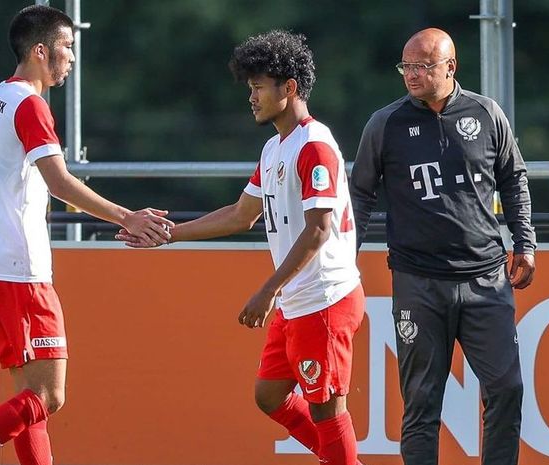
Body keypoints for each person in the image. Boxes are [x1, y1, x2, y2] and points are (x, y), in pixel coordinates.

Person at [0, 6, 172, 465]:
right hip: (21, 271)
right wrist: (126, 217)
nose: (73, 57)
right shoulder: (30, 104)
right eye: (67, 47)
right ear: (41, 51)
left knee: (32, 403)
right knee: (50, 397)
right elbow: (59, 181)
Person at [117, 30, 365, 465]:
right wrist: (168, 234)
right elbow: (239, 214)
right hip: (297, 300)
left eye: (258, 87)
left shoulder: (315, 145)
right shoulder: (274, 149)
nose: (251, 97)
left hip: (324, 299)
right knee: (269, 396)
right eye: (249, 87)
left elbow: (319, 230)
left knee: (328, 409)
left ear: (289, 88)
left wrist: (267, 290)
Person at [349, 28, 536, 465]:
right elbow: (359, 194)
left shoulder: (486, 114)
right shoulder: (385, 123)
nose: (411, 75)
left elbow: (514, 178)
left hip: (485, 280)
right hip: (419, 282)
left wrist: (525, 243)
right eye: (405, 66)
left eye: (423, 66)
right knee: (421, 404)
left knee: (507, 389)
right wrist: (345, 260)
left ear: (450, 67)